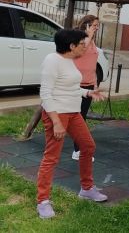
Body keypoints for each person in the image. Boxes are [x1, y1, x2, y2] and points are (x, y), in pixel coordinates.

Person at [37, 29, 107, 219]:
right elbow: (46, 94)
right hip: (56, 114)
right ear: (72, 46)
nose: (85, 47)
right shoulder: (52, 61)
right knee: (51, 157)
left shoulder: (69, 61)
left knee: (88, 146)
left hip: (73, 113)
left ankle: (86, 188)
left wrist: (87, 93)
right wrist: (57, 122)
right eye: (82, 44)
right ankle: (43, 201)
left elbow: (69, 87)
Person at [72, 15, 100, 161]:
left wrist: (95, 83)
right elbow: (80, 52)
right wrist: (88, 35)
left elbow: (93, 64)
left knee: (81, 118)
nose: (97, 28)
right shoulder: (79, 38)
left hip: (89, 84)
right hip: (78, 85)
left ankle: (78, 149)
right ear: (87, 25)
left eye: (97, 25)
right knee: (79, 119)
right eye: (95, 25)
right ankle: (77, 151)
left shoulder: (92, 41)